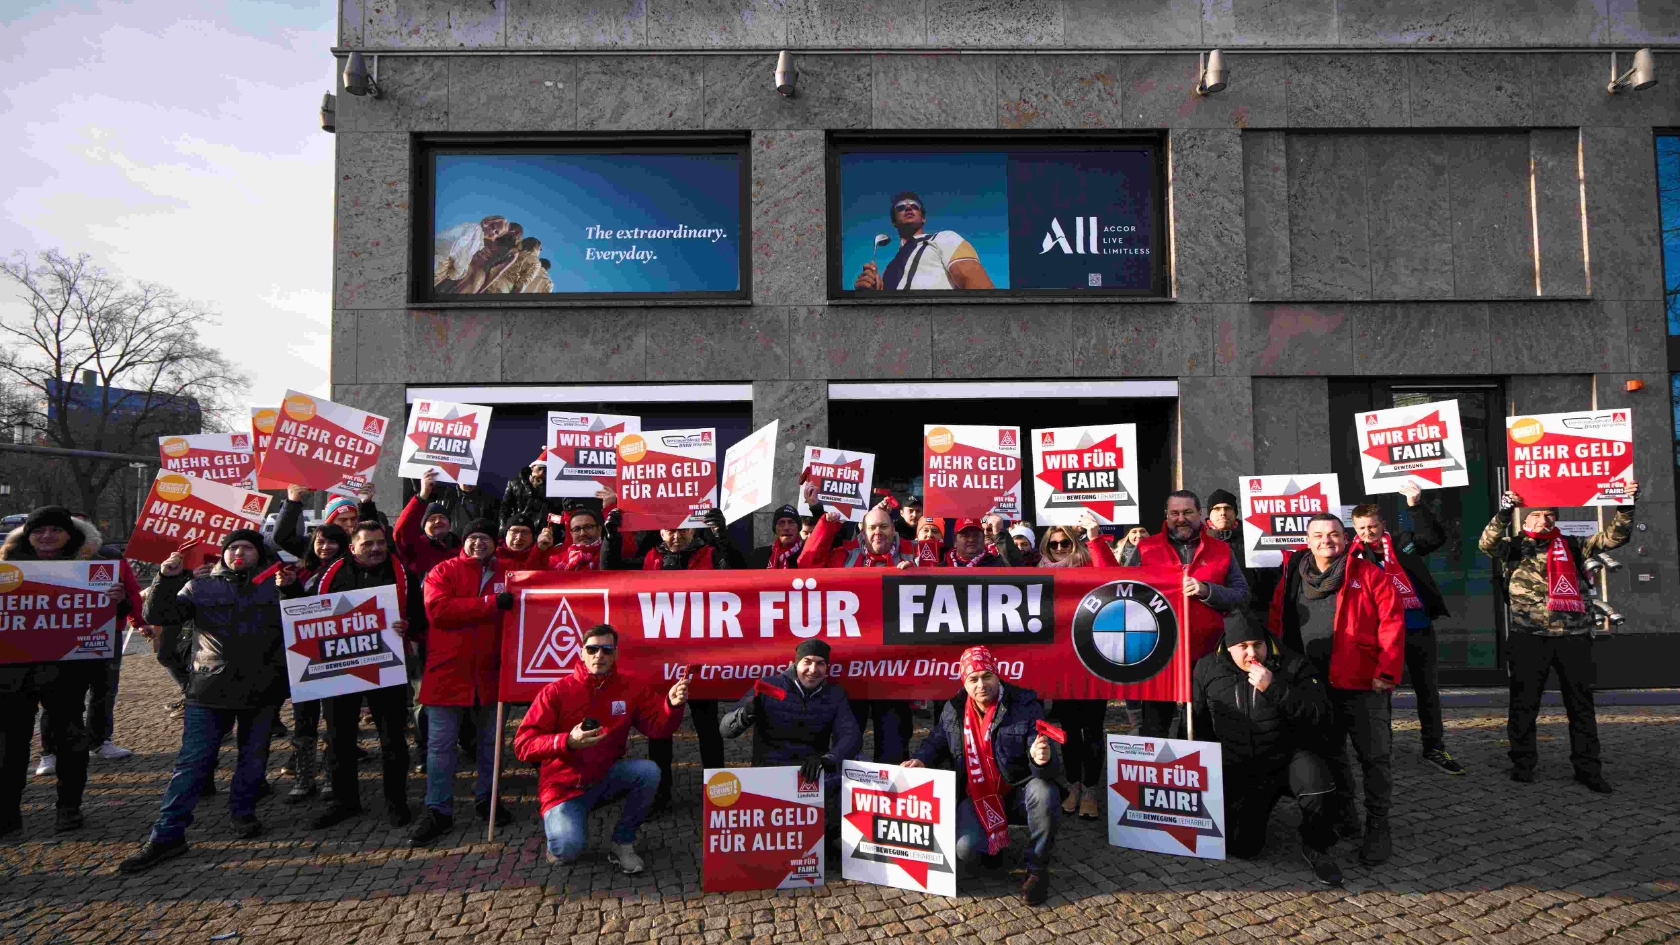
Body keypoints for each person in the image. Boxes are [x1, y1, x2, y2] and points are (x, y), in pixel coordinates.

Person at [120, 530, 288, 871]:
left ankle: (243, 814)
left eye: (247, 547)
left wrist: (293, 587)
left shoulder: (276, 586)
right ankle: (167, 835)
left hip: (262, 689)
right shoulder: (199, 586)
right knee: (192, 764)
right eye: (233, 547)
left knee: (253, 758)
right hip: (209, 688)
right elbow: (161, 613)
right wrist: (166, 578)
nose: (239, 552)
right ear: (223, 554)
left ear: (260, 554)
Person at [1479, 484, 1637, 794]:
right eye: (1536, 515)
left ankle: (1588, 768)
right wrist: (1504, 511)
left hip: (1573, 637)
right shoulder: (1513, 547)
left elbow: (1614, 537)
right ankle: (1523, 763)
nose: (1543, 521)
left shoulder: (1574, 545)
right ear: (1525, 521)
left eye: (1549, 515)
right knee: (1524, 705)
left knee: (1581, 706)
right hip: (1529, 638)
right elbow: (1487, 543)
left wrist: (1626, 504)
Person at [1268, 513, 1403, 866]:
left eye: (1333, 535)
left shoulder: (1369, 575)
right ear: (1307, 540)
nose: (1326, 540)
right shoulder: (1293, 575)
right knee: (1331, 755)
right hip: (1313, 683)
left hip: (1362, 682)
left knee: (1374, 757)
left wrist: (1386, 672)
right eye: (1318, 535)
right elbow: (1277, 620)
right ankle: (1347, 818)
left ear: (1345, 539)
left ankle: (1379, 825)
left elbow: (1392, 623)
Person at [0, 507, 133, 836]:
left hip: (67, 673)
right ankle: (6, 812)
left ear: (68, 534)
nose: (46, 537)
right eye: (38, 531)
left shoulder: (89, 566)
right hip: (12, 675)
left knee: (71, 743)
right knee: (9, 747)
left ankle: (69, 808)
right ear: (28, 535)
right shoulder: (7, 566)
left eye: (54, 530)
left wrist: (119, 600)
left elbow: (117, 610)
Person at [513, 624, 688, 872]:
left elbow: (659, 728)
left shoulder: (631, 688)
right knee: (568, 850)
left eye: (606, 650)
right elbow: (522, 745)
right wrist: (567, 741)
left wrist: (672, 704)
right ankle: (562, 830)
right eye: (592, 649)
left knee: (649, 772)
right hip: (563, 788)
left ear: (616, 654)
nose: (599, 655)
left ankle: (623, 842)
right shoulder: (555, 692)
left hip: (605, 776)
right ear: (581, 652)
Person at [1191, 614, 1342, 886]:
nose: (1252, 653)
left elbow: (1321, 716)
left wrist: (1274, 687)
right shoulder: (1206, 668)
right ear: (1228, 647)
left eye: (1257, 644)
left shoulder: (1293, 664)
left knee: (1318, 786)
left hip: (1288, 758)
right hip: (1243, 769)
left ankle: (1316, 846)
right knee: (1243, 848)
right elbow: (1200, 726)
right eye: (1243, 647)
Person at [605, 506, 739, 811]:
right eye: (669, 530)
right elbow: (610, 570)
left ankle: (717, 792)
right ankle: (660, 791)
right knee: (660, 728)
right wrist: (611, 536)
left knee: (708, 729)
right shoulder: (649, 557)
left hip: (703, 657)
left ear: (693, 529)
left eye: (682, 529)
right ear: (660, 532)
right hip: (660, 661)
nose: (675, 536)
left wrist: (721, 535)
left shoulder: (709, 554)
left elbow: (737, 571)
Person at [904, 646, 1059, 906]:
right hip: (977, 796)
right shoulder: (953, 709)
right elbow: (936, 741)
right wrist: (921, 759)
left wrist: (1039, 758)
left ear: (998, 675)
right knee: (964, 849)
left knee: (1044, 791)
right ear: (964, 683)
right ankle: (993, 847)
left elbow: (1044, 757)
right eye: (973, 679)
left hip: (1016, 792)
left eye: (987, 676)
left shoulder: (1025, 705)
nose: (981, 685)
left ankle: (1037, 870)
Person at [309, 522, 426, 829]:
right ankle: (344, 801)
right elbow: (307, 614)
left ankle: (396, 802)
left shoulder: (403, 574)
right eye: (367, 544)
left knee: (393, 740)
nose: (375, 549)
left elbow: (420, 615)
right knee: (339, 738)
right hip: (340, 667)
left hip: (387, 665)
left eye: (380, 543)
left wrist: (408, 624)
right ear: (352, 547)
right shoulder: (331, 574)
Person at [798, 483, 919, 763]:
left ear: (894, 529)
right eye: (872, 528)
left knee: (893, 744)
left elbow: (944, 585)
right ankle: (848, 799)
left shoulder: (913, 553)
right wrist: (826, 526)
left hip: (895, 671)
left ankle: (893, 802)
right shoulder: (847, 554)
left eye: (884, 527)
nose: (878, 533)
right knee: (848, 741)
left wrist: (920, 575)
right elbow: (807, 565)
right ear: (862, 532)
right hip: (853, 667)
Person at [1348, 483, 1461, 775]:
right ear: (1354, 528)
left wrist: (1415, 505)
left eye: (1372, 527)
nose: (1368, 533)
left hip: (1417, 627)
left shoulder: (1403, 542)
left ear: (1382, 524)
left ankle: (1434, 746)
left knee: (1427, 690)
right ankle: (1381, 748)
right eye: (1361, 528)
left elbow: (1435, 537)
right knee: (1380, 692)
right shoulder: (1353, 556)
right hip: (1380, 635)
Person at [412, 518, 513, 846]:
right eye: (473, 537)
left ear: (494, 542)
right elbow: (439, 611)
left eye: (485, 537)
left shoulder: (507, 573)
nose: (478, 543)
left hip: (491, 672)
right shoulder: (442, 571)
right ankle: (438, 809)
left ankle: (488, 798)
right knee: (441, 746)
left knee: (490, 744)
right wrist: (489, 604)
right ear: (463, 541)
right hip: (448, 672)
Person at [719, 639, 860, 847]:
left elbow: (851, 736)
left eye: (820, 663)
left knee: (859, 765)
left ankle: (826, 838)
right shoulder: (769, 685)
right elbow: (725, 730)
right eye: (807, 662)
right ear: (795, 663)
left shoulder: (835, 694)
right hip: (770, 773)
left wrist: (828, 758)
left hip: (810, 772)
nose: (813, 670)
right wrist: (745, 714)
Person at [1133, 490, 1250, 737]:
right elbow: (1120, 588)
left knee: (1199, 725)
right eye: (1174, 513)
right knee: (1155, 725)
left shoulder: (1221, 550)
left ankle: (1196, 774)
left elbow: (1242, 595)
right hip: (1158, 652)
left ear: (1200, 514)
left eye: (1187, 512)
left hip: (1207, 653)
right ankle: (1158, 774)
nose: (1181, 518)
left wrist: (1207, 590)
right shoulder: (1146, 548)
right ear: (1166, 515)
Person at [1038, 513, 1118, 820]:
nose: (1059, 548)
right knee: (1069, 729)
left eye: (1065, 542)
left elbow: (1113, 574)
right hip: (1061, 662)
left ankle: (1091, 789)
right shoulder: (1038, 571)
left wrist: (1094, 536)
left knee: (1093, 728)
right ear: (1046, 547)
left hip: (1094, 657)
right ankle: (1073, 786)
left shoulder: (1089, 565)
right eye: (1054, 544)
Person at [281, 522, 350, 804]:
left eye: (332, 542)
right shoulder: (299, 571)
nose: (326, 547)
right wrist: (288, 588)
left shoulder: (349, 570)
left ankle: (333, 777)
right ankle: (304, 776)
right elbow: (293, 609)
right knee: (303, 719)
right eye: (321, 542)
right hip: (305, 654)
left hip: (338, 652)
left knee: (336, 719)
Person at [853, 191, 995, 290]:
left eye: (915, 206)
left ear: (923, 218)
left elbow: (978, 287)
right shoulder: (888, 270)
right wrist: (870, 291)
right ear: (894, 222)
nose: (908, 207)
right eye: (901, 208)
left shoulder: (945, 238)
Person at [393, 468, 463, 577]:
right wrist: (422, 496)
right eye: (431, 519)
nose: (438, 521)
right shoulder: (415, 547)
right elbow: (402, 529)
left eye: (442, 517)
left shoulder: (463, 548)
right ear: (423, 527)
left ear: (450, 524)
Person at [501, 453, 564, 536]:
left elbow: (556, 511)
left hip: (541, 533)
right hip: (518, 529)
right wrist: (504, 529)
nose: (541, 473)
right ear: (533, 467)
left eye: (546, 471)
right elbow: (505, 508)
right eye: (539, 469)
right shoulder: (514, 484)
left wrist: (540, 489)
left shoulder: (555, 489)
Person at [748, 504, 804, 569]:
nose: (786, 528)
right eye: (781, 523)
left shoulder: (808, 554)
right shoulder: (758, 556)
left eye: (791, 522)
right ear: (775, 529)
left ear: (799, 528)